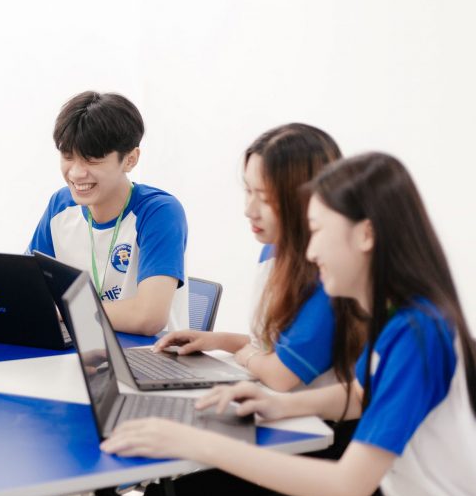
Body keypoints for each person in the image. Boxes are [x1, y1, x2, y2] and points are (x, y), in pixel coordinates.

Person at [101, 153, 476, 496]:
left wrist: (195, 442)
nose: (311, 252)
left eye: (318, 231)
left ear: (366, 234)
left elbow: (347, 486)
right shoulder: (399, 316)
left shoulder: (418, 333)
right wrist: (281, 404)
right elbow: (363, 393)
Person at [154, 124, 364, 392]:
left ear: (306, 199)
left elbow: (282, 374)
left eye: (264, 198)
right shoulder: (273, 248)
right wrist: (216, 340)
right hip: (271, 399)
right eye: (249, 191)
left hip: (303, 412)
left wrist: (246, 356)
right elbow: (271, 347)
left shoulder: (328, 273)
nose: (249, 210)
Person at [28, 91, 187, 335]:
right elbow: (29, 291)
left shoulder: (159, 212)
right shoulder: (61, 205)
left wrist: (63, 309)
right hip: (82, 346)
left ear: (130, 159)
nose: (76, 173)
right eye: (68, 156)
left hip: (148, 353)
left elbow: (149, 317)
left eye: (92, 160)